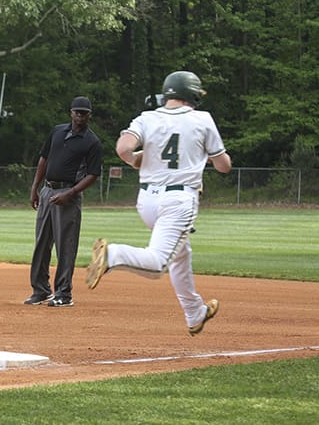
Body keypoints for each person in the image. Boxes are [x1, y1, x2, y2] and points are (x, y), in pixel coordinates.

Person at [85, 71, 232, 335]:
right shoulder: (202, 119)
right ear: (193, 95)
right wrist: (207, 156)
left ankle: (194, 313)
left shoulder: (147, 117)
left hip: (147, 201)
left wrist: (136, 159)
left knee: (181, 255)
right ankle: (114, 254)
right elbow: (224, 166)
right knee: (158, 264)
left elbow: (123, 148)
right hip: (178, 201)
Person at [24, 96, 104, 307]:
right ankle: (40, 290)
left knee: (65, 246)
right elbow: (44, 159)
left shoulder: (92, 142)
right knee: (41, 243)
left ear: (89, 115)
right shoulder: (57, 131)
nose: (80, 115)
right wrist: (35, 189)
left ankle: (64, 293)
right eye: (77, 112)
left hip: (68, 195)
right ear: (71, 112)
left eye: (84, 113)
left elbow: (93, 174)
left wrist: (71, 193)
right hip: (47, 191)